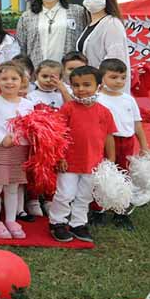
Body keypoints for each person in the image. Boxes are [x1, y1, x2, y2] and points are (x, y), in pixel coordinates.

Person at [48, 65, 116, 244]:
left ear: (98, 87)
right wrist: (60, 157)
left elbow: (109, 136)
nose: (81, 89)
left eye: (86, 85)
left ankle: (79, 223)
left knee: (84, 195)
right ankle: (58, 222)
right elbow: (59, 134)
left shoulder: (104, 112)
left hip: (93, 163)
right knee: (65, 194)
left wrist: (111, 160)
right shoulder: (68, 108)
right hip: (69, 162)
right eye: (76, 86)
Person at [0, 62, 34, 239]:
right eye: (4, 79)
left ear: (22, 81)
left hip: (19, 151)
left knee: (13, 186)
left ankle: (11, 219)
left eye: (14, 78)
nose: (9, 82)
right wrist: (1, 138)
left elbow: (31, 127)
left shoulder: (28, 104)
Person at [95, 58, 150, 230]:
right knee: (102, 174)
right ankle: (98, 210)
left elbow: (137, 124)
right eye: (113, 77)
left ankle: (121, 212)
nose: (119, 81)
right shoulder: (97, 98)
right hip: (103, 142)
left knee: (123, 175)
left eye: (123, 77)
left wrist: (144, 145)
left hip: (125, 142)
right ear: (101, 77)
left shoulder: (128, 100)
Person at [16, 0, 88, 63]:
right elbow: (21, 47)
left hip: (69, 72)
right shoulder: (27, 17)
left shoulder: (77, 11)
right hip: (37, 71)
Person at [76, 0, 130, 92]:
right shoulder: (89, 25)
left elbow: (116, 59)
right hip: (89, 86)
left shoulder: (112, 24)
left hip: (105, 89)